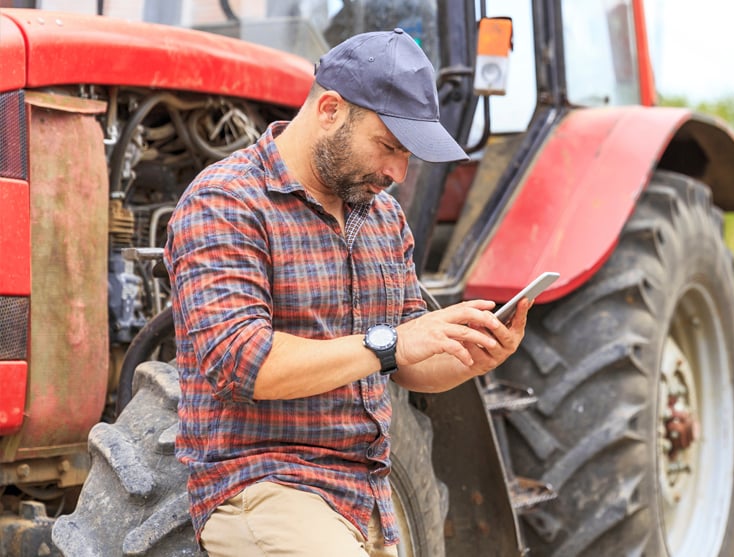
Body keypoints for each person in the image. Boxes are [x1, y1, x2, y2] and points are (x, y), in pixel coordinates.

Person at [164, 28, 529, 556]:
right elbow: (245, 363)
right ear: (330, 109)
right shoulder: (225, 200)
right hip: (264, 485)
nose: (398, 173)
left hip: (368, 498)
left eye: (409, 157)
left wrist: (472, 356)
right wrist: (391, 343)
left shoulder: (382, 217)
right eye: (388, 147)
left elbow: (407, 365)